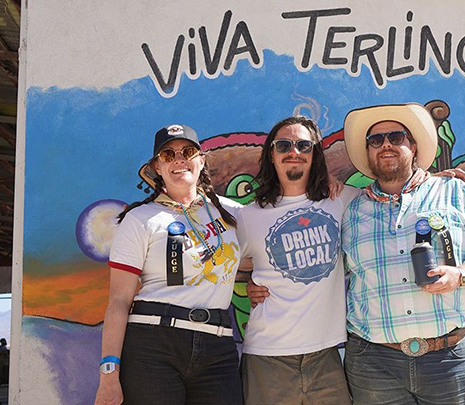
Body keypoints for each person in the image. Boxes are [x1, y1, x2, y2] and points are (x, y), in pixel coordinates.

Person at [341, 103, 465, 404]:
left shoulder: (453, 192)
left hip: (449, 359)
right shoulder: (350, 210)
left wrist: (460, 275)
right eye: (375, 140)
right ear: (368, 152)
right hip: (373, 364)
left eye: (396, 136)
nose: (386, 145)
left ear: (413, 146)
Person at [94, 124, 243, 405]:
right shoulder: (140, 219)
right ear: (157, 167)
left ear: (201, 160)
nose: (178, 160)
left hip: (218, 345)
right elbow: (118, 300)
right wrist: (109, 375)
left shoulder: (233, 214)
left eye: (188, 151)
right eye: (167, 154)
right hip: (153, 344)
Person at [236, 116, 358, 404]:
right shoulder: (248, 216)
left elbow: (393, 196)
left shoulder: (343, 201)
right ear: (271, 154)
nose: (294, 152)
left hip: (326, 355)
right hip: (266, 356)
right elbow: (223, 266)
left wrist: (436, 178)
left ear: (315, 154)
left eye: (304, 145)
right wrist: (248, 281)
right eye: (284, 145)